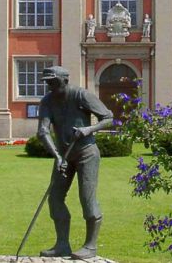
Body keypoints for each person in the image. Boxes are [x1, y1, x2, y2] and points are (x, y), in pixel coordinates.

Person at [37, 66, 114, 259]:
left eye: (52, 81)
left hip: (86, 153)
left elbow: (108, 118)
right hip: (64, 155)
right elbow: (43, 131)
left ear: (64, 80)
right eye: (47, 82)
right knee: (55, 199)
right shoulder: (47, 101)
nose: (49, 86)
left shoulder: (81, 95)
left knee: (87, 199)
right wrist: (57, 157)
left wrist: (89, 129)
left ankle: (90, 246)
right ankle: (62, 244)